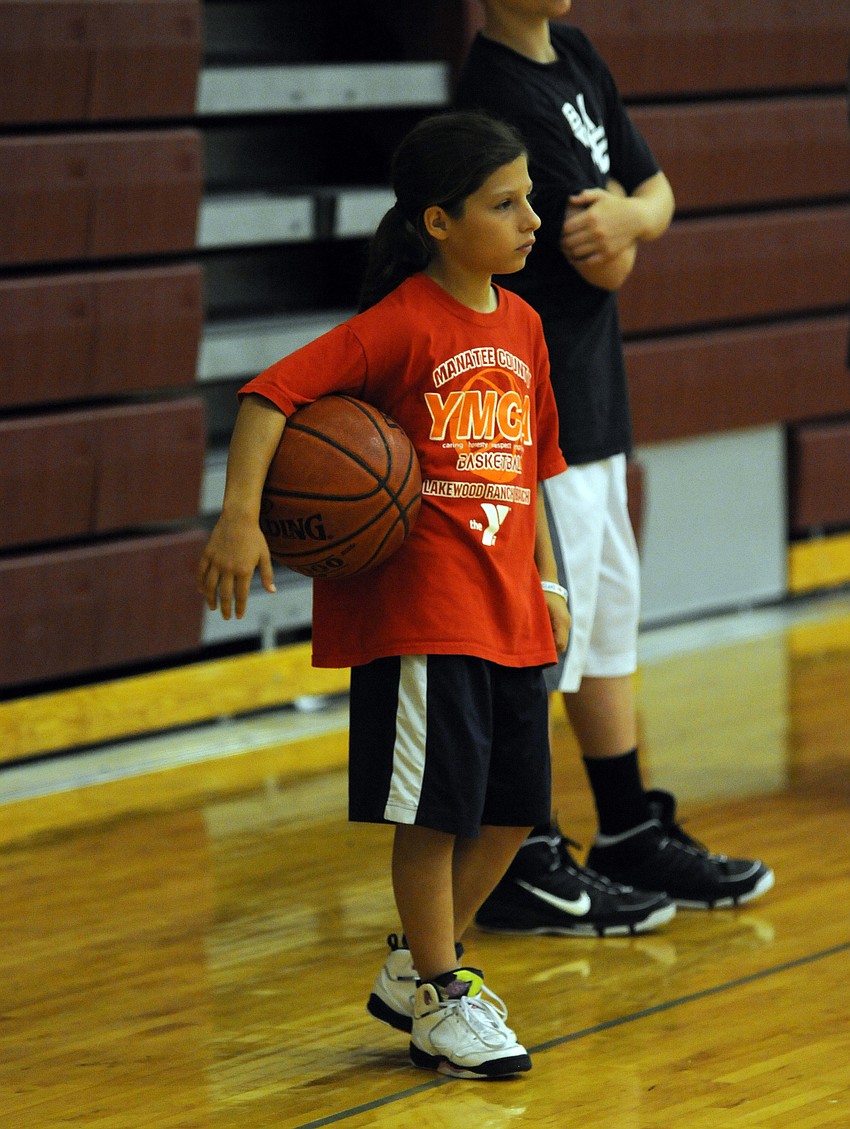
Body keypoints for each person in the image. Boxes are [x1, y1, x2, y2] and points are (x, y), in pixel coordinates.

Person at [198, 111, 571, 1079]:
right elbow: (269, 395)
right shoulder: (400, 323)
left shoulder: (525, 327)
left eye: (528, 196)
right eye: (506, 202)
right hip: (423, 613)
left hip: (507, 608)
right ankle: (445, 994)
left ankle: (416, 964)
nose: (532, 216)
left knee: (514, 811)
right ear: (439, 222)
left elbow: (532, 469)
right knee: (434, 814)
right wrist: (241, 517)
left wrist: (544, 579)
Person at [454, 0, 774, 937]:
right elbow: (605, 267)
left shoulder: (577, 56)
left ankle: (627, 825)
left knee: (605, 625)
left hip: (595, 402)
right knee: (544, 633)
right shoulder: (496, 100)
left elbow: (654, 194)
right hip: (535, 410)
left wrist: (633, 212)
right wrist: (636, 223)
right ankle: (525, 857)